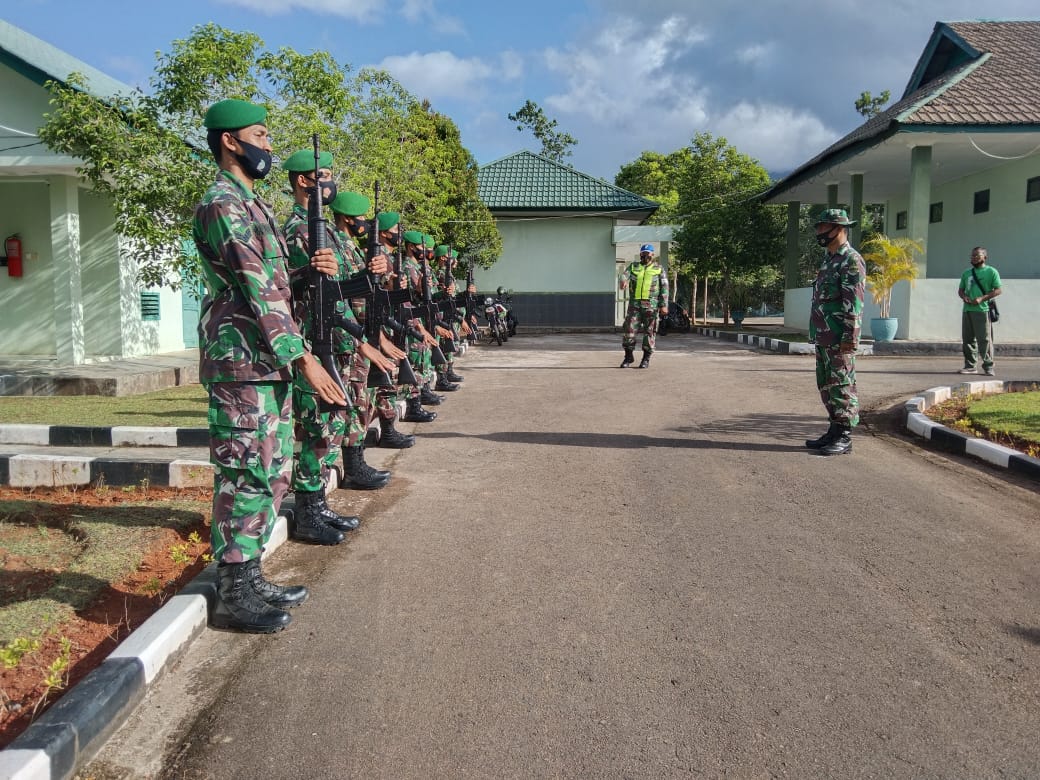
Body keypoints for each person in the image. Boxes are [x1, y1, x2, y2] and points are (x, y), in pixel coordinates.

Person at [193, 99, 346, 633]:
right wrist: (304, 358)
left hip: (264, 362)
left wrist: (311, 276)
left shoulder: (252, 203)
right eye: (260, 133)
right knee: (243, 470)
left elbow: (278, 287)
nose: (269, 144)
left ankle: (250, 574)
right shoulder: (222, 203)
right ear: (230, 140)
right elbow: (257, 291)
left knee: (268, 467)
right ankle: (233, 588)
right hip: (241, 362)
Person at [281, 150, 396, 508]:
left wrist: (373, 272)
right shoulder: (301, 229)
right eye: (324, 174)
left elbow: (342, 288)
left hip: (338, 336)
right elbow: (319, 296)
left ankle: (320, 502)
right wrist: (363, 342)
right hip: (319, 340)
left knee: (333, 422)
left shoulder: (325, 230)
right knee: (320, 426)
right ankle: (310, 507)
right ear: (304, 181)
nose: (330, 182)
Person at [329, 191, 416, 450]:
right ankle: (353, 462)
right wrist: (373, 338)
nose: (365, 221)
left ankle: (360, 456)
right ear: (346, 217)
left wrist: (390, 284)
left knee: (362, 399)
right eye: (362, 216)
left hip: (364, 331)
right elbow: (351, 299)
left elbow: (371, 296)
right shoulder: (340, 246)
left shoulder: (352, 248)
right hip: (351, 334)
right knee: (353, 401)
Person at [805, 209, 866, 457]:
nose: (819, 232)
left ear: (839, 229)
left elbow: (854, 304)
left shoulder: (851, 260)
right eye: (819, 228)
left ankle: (844, 436)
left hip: (840, 337)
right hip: (824, 335)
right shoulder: (829, 260)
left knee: (842, 384)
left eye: (824, 228)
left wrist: (850, 339)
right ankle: (834, 429)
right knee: (826, 384)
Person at [618, 243, 669, 368]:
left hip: (651, 306)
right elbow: (624, 274)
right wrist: (623, 280)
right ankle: (628, 357)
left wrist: (663, 305)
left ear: (652, 255)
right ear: (640, 254)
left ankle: (646, 359)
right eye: (643, 253)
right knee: (629, 331)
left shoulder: (659, 268)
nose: (645, 255)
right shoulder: (634, 266)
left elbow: (665, 287)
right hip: (634, 306)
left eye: (648, 253)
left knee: (650, 332)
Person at [957, 246, 1002, 376]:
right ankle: (970, 366)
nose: (974, 258)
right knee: (968, 340)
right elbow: (960, 290)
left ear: (985, 257)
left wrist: (982, 298)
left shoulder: (991, 272)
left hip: (982, 310)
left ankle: (988, 367)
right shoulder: (966, 273)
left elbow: (998, 290)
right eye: (972, 256)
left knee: (985, 340)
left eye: (977, 255)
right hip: (967, 310)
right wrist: (964, 296)